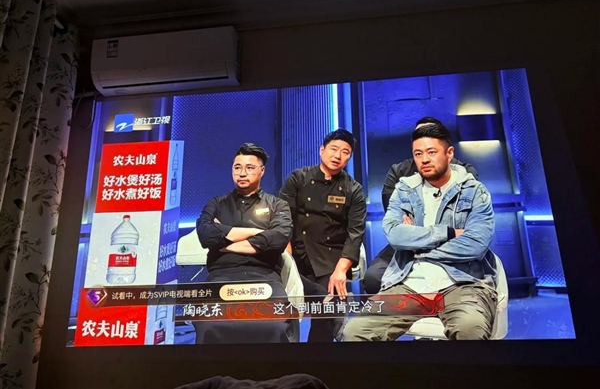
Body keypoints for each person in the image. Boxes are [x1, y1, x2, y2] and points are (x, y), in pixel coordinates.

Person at [342, 123, 497, 341]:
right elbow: (395, 235)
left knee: (470, 329)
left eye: (431, 152)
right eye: (418, 154)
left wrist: (418, 247)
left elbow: (476, 243)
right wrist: (447, 233)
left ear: (449, 153)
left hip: (462, 283)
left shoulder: (474, 191)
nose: (424, 159)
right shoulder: (404, 189)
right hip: (410, 283)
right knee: (355, 331)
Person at [362, 117, 479, 295]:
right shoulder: (398, 172)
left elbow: (465, 222)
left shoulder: (465, 173)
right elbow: (396, 224)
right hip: (407, 245)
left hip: (452, 241)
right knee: (373, 278)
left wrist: (421, 236)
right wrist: (412, 238)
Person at [195, 143, 293, 343]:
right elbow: (205, 235)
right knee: (208, 322)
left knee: (275, 324)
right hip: (221, 276)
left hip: (265, 276)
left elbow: (278, 239)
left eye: (249, 167)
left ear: (262, 171)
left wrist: (223, 240)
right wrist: (259, 233)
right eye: (237, 167)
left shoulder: (277, 205)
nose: (242, 173)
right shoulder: (216, 203)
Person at [279, 129, 367, 342]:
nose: (338, 155)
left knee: (330, 304)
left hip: (330, 260)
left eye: (345, 152)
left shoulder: (353, 190)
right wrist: (287, 260)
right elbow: (283, 219)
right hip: (295, 254)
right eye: (334, 149)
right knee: (285, 303)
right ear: (322, 150)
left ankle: (317, 354)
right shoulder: (298, 178)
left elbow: (355, 233)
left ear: (349, 157)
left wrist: (341, 271)